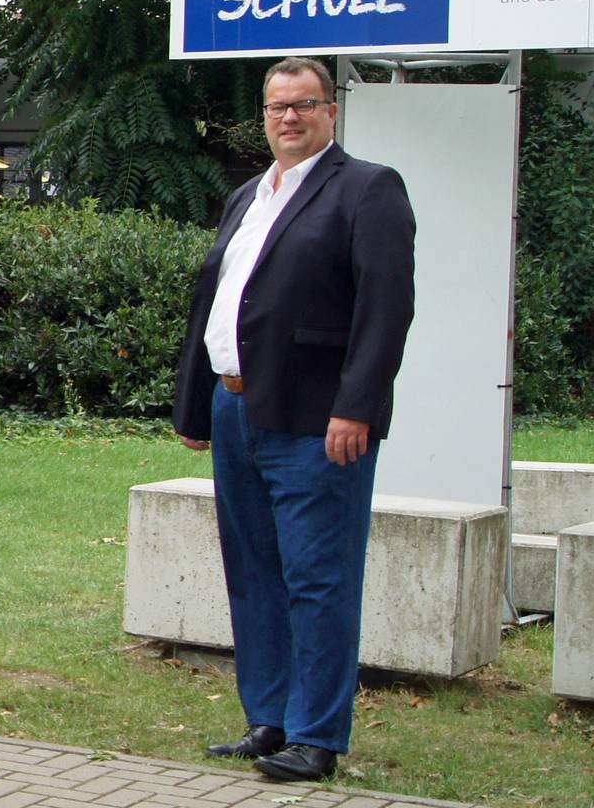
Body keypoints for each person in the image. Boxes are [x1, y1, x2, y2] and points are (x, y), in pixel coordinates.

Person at [173, 56, 416, 784]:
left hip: (318, 419)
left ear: (330, 112)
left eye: (304, 105)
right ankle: (270, 717)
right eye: (278, 107)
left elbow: (386, 310)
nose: (289, 118)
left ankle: (316, 734)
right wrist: (196, 403)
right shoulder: (248, 194)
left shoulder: (369, 189)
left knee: (318, 576)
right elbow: (215, 301)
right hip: (237, 405)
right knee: (253, 571)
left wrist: (357, 406)